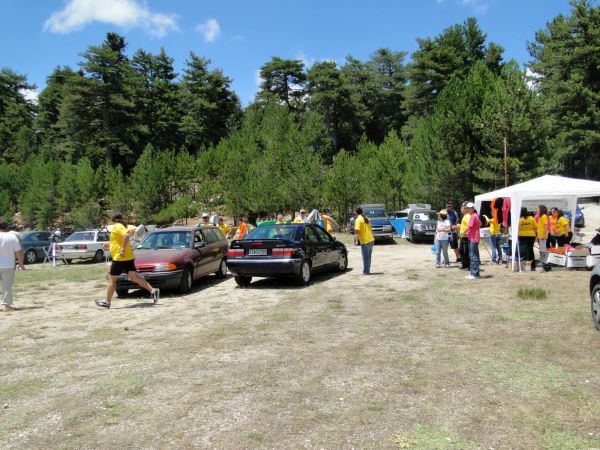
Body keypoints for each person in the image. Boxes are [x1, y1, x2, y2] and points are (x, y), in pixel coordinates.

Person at [95, 213, 159, 309]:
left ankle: (107, 302)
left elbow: (125, 236)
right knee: (134, 277)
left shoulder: (117, 226)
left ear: (114, 220)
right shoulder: (124, 226)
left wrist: (122, 250)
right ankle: (153, 291)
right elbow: (120, 240)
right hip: (128, 257)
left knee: (112, 280)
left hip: (120, 258)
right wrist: (109, 245)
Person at [0, 220, 25, 311]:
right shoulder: (12, 237)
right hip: (8, 265)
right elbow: (19, 252)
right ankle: (7, 305)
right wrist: (21, 264)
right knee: (7, 285)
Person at [354, 207, 375, 275]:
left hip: (365, 241)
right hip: (371, 239)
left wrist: (356, 241)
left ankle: (366, 271)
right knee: (368, 256)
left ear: (356, 212)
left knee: (365, 257)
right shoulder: (366, 217)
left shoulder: (358, 219)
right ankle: (367, 270)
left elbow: (357, 231)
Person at [464, 202, 480, 279]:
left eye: (469, 208)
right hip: (472, 238)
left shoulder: (473, 216)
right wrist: (468, 233)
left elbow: (469, 227)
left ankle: (475, 274)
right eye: (467, 208)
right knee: (473, 256)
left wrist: (463, 232)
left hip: (474, 239)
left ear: (473, 209)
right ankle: (473, 273)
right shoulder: (474, 216)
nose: (468, 209)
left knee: (473, 256)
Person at [458, 202, 471, 270]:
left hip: (466, 237)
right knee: (461, 250)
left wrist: (466, 232)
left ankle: (468, 266)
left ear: (465, 209)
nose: (461, 209)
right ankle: (464, 264)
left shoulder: (468, 216)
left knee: (466, 251)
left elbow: (469, 225)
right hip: (463, 236)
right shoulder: (464, 216)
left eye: (462, 208)